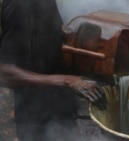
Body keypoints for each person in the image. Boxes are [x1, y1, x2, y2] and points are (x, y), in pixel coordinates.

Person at [0, 0, 107, 141]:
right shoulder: (19, 5)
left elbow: (48, 39)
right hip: (37, 119)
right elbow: (4, 72)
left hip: (62, 107)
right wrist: (67, 80)